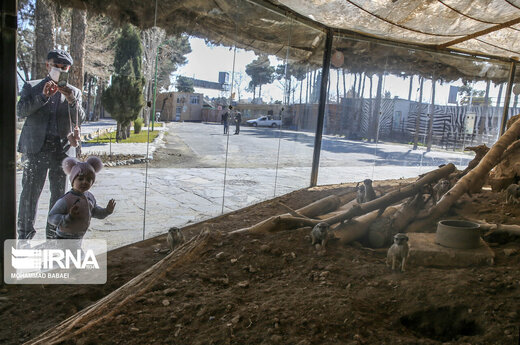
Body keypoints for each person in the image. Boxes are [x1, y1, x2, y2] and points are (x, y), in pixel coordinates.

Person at [17, 49, 85, 239]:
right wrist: (43, 97)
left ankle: (53, 236)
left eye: (65, 68)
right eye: (57, 66)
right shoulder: (32, 86)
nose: (61, 70)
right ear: (48, 65)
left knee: (60, 198)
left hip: (62, 152)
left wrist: (72, 100)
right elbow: (20, 110)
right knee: (29, 195)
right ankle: (24, 236)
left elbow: (81, 118)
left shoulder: (75, 92)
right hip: (35, 150)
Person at [48, 156, 115, 239]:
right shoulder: (66, 199)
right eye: (80, 179)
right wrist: (68, 217)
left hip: (78, 237)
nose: (84, 182)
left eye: (88, 179)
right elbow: (51, 217)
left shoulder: (89, 197)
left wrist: (106, 211)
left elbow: (94, 211)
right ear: (73, 181)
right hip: (63, 237)